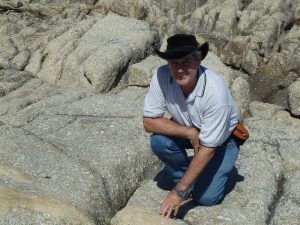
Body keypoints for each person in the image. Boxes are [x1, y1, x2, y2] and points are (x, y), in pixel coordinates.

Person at [143, 34, 240, 218]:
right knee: (159, 141)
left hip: (220, 143)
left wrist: (178, 194)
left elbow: (207, 149)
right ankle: (187, 179)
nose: (179, 69)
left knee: (206, 198)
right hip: (189, 130)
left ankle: (192, 182)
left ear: (198, 59)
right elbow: (149, 122)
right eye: (174, 63)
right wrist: (189, 132)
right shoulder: (162, 75)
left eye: (185, 61)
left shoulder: (215, 92)